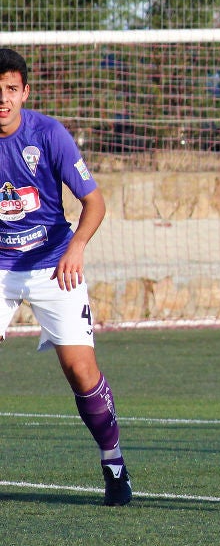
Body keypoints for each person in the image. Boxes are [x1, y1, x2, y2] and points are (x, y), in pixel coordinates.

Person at [0, 49, 129, 506]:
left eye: (11, 90)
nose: (2, 99)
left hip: (54, 264)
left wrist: (76, 247)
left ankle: (113, 464)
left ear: (24, 92)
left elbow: (94, 203)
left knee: (80, 371)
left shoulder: (48, 134)